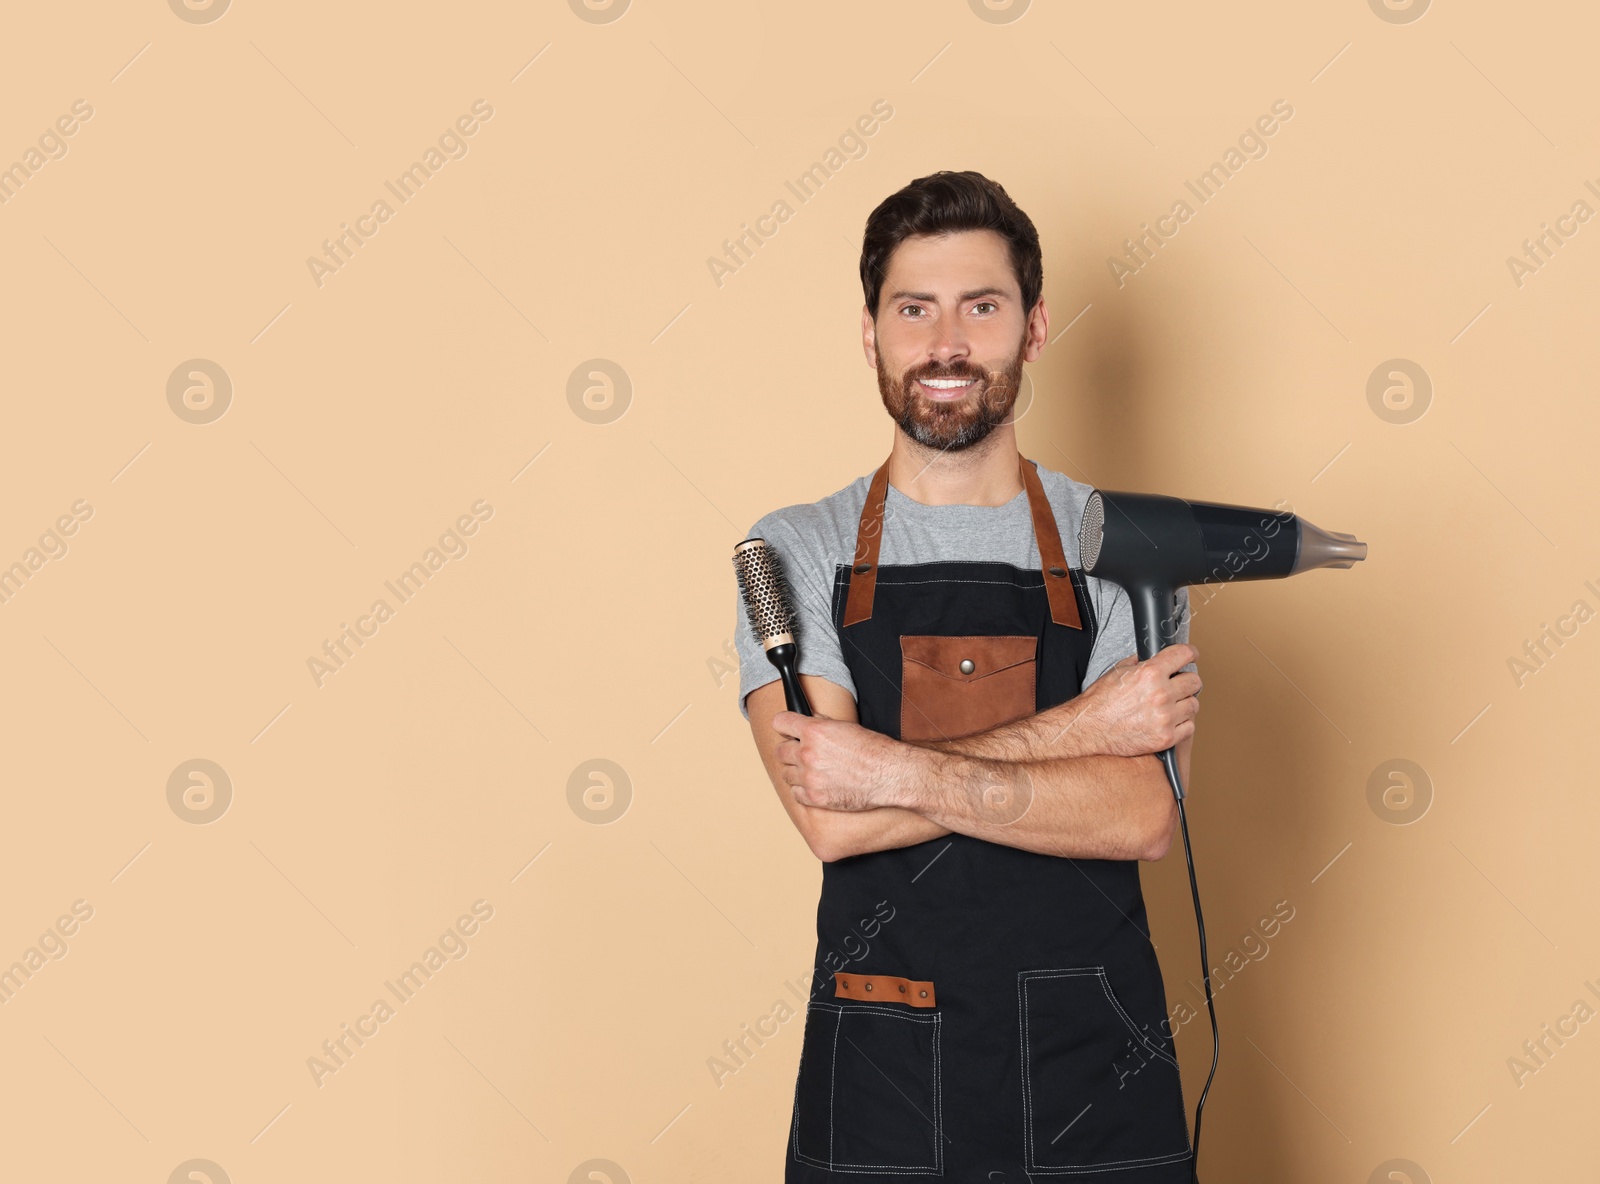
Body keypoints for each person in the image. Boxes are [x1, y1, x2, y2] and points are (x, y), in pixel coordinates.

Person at [734, 170, 1203, 1182]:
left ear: (1031, 329)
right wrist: (1088, 723)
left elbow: (1141, 815)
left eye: (980, 307)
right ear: (871, 332)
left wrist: (888, 766)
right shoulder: (796, 550)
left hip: (1097, 1063)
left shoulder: (1126, 544)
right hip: (884, 1060)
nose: (946, 344)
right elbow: (832, 814)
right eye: (915, 309)